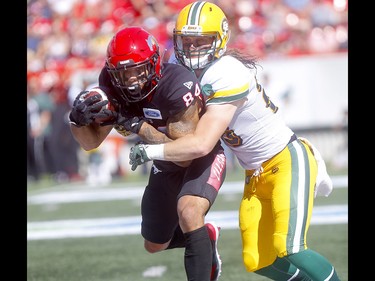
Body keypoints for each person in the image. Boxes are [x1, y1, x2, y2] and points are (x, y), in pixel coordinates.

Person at [128, 2, 339, 281]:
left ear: (220, 40)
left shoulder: (226, 72)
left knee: (291, 248)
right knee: (258, 261)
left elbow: (202, 144)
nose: (192, 49)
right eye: (186, 42)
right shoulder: (186, 73)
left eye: (200, 42)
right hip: (257, 173)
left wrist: (150, 150)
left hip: (287, 159)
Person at [68, 26, 226, 281]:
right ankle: (204, 238)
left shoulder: (176, 84)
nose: (130, 79)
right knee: (154, 244)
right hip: (164, 165)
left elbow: (185, 154)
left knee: (189, 212)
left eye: (136, 70)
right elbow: (90, 143)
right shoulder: (110, 83)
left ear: (153, 64)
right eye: (123, 73)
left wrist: (137, 126)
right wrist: (76, 121)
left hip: (199, 157)